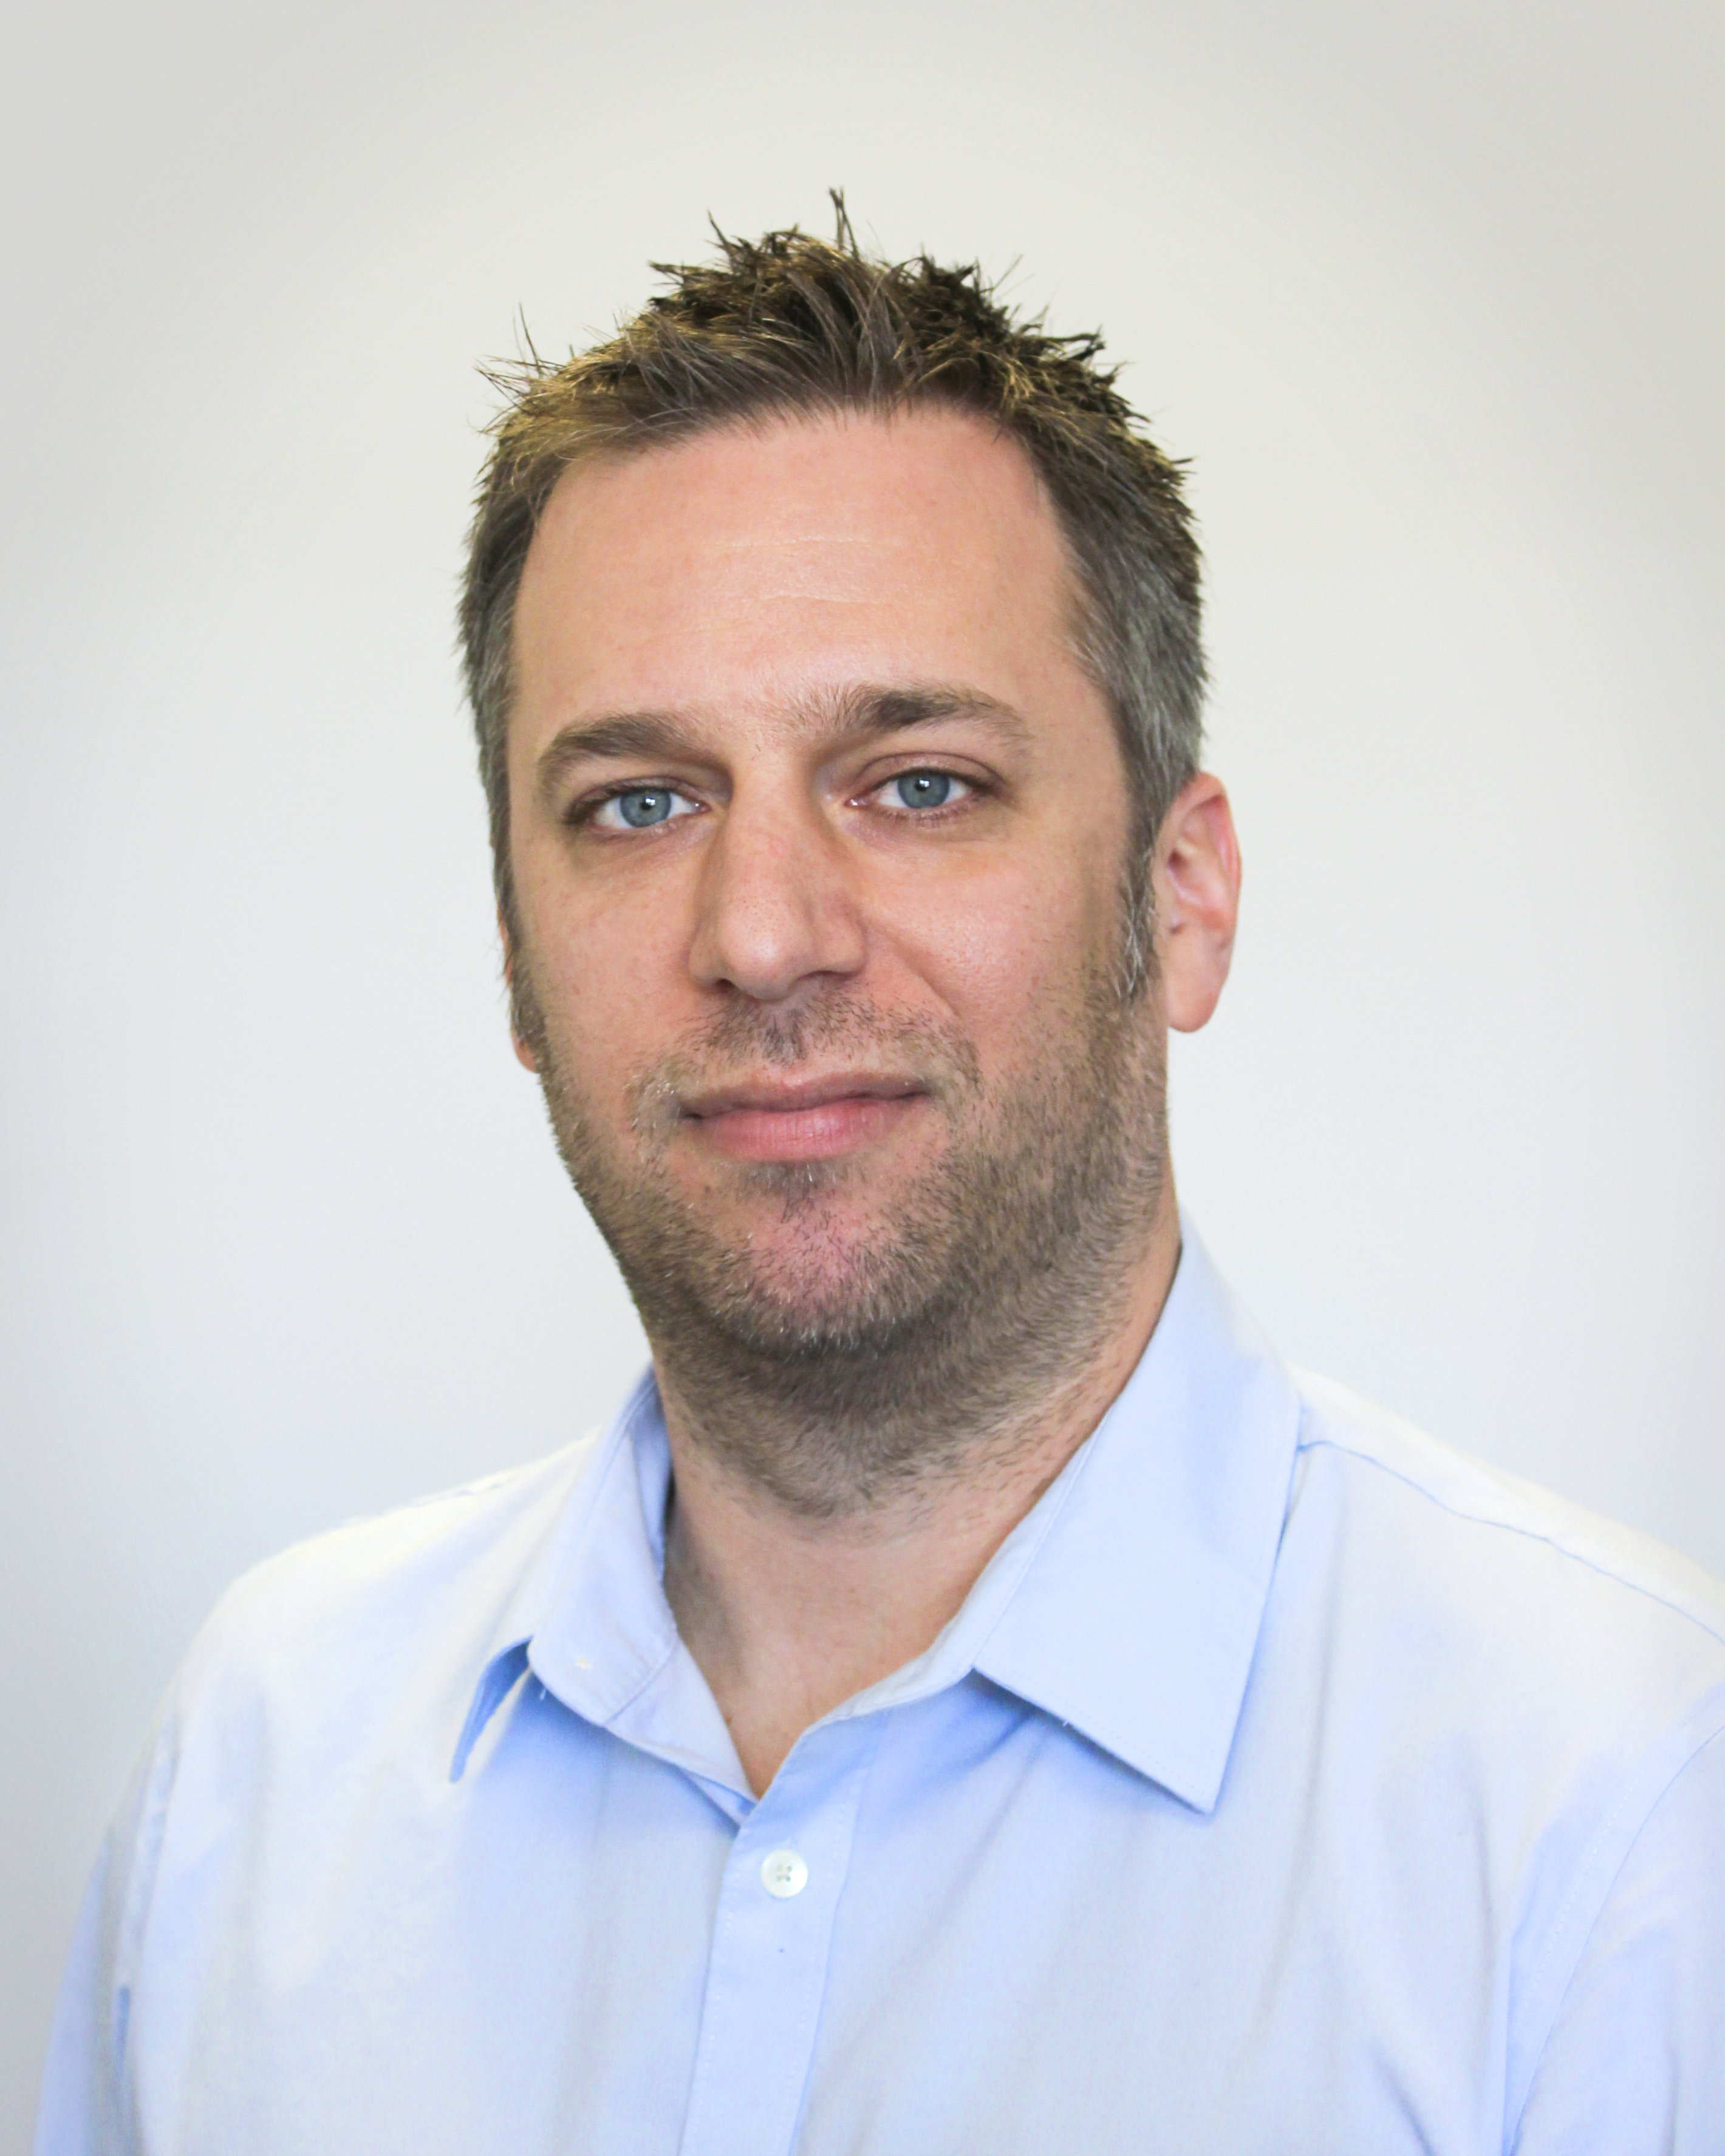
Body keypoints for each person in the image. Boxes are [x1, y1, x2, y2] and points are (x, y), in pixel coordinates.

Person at [36, 211, 1725, 2156]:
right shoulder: (262, 1770)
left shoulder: (1619, 1825)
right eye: (638, 804)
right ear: (513, 954)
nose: (764, 935)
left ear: (1182, 899)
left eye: (918, 781)